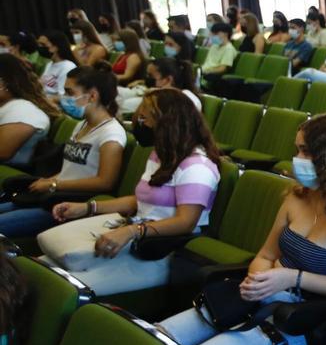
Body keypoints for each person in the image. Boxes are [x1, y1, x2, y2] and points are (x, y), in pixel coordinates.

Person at [159, 113, 326, 345]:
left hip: (299, 318)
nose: (298, 159)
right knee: (157, 342)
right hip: (262, 296)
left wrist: (292, 278)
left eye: (306, 151)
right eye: (297, 149)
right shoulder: (298, 196)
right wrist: (257, 280)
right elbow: (266, 255)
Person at [36, 89, 220, 296]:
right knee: (41, 267)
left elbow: (185, 222)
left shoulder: (197, 167)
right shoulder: (161, 155)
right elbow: (140, 201)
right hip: (136, 234)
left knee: (58, 287)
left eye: (144, 117)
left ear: (169, 123)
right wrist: (89, 207)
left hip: (160, 250)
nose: (139, 123)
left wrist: (132, 231)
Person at [0, 68, 125, 237]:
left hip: (69, 204)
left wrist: (54, 185)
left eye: (70, 92)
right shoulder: (82, 125)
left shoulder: (111, 134)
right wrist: (50, 180)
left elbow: (105, 182)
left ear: (93, 96)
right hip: (52, 195)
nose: (64, 98)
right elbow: (72, 169)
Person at [0, 54, 56, 171]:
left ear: (3, 83)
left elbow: (3, 152)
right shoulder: (7, 105)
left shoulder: (23, 112)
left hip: (9, 175)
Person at [120, 57, 201, 115]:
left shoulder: (187, 98)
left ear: (168, 80)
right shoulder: (158, 96)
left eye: (151, 76)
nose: (147, 79)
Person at [36, 31, 78, 98]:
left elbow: (63, 96)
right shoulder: (50, 64)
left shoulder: (68, 67)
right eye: (39, 44)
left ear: (55, 47)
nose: (39, 47)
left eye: (43, 45)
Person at [200, 23, 238, 90]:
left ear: (225, 34)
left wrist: (207, 71)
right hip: (203, 71)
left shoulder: (229, 49)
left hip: (210, 74)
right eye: (212, 34)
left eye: (216, 34)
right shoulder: (214, 46)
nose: (212, 36)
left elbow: (222, 68)